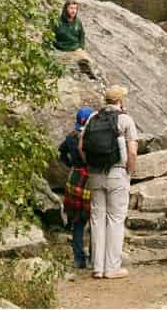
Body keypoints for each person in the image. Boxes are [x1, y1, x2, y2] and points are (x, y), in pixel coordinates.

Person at [81, 84, 137, 280]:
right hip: (117, 174)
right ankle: (112, 268)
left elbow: (82, 147)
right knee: (115, 220)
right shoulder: (125, 120)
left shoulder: (91, 119)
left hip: (94, 174)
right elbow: (132, 151)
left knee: (97, 220)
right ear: (120, 101)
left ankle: (97, 268)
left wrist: (90, 167)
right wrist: (129, 171)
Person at [58, 106, 94, 270]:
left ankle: (79, 259)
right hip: (89, 179)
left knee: (77, 220)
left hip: (74, 178)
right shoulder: (91, 137)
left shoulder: (71, 137)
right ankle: (95, 256)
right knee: (95, 219)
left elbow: (61, 153)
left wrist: (71, 164)